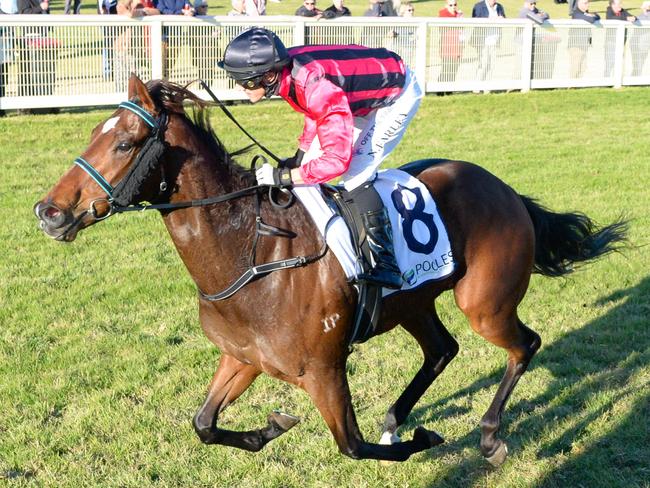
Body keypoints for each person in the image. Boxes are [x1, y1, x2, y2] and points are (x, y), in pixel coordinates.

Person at [218, 28, 423, 288]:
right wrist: (299, 158)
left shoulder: (314, 84)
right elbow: (314, 114)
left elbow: (336, 160)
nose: (240, 87)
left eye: (246, 81)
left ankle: (386, 262)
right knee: (306, 167)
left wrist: (285, 175)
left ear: (269, 75)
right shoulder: (288, 74)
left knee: (355, 173)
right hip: (355, 97)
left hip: (395, 97)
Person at [471, 0, 505, 89]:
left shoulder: (499, 7)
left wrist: (502, 19)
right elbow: (475, 20)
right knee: (483, 64)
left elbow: (504, 19)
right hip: (483, 41)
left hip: (495, 41)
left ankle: (487, 87)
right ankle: (477, 88)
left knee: (492, 65)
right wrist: (490, 19)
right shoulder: (479, 6)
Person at [605, 0, 637, 76]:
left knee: (620, 62)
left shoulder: (623, 11)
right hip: (611, 42)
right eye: (619, 3)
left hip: (622, 42)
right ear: (613, 5)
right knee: (609, 63)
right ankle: (607, 80)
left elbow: (633, 16)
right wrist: (626, 18)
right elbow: (611, 18)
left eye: (621, 3)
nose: (620, 5)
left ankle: (618, 79)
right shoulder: (609, 11)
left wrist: (633, 17)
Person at [569, 0, 599, 78]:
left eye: (588, 2)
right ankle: (571, 85)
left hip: (583, 45)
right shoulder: (576, 13)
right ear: (579, 4)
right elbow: (592, 19)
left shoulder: (585, 13)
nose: (587, 5)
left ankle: (577, 84)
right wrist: (591, 16)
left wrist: (592, 15)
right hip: (576, 46)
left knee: (583, 67)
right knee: (575, 67)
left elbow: (597, 16)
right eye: (585, 3)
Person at [438, 0, 464, 85]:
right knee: (446, 68)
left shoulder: (458, 14)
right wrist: (458, 18)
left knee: (454, 68)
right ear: (446, 5)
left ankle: (450, 87)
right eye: (451, 5)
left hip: (456, 44)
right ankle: (440, 88)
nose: (453, 6)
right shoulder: (443, 12)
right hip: (447, 45)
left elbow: (461, 29)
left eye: (455, 4)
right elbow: (445, 25)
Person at [631, 1, 650, 76]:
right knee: (637, 62)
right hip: (636, 43)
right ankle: (635, 75)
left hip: (644, 43)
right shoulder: (640, 16)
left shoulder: (643, 16)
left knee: (640, 61)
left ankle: (636, 76)